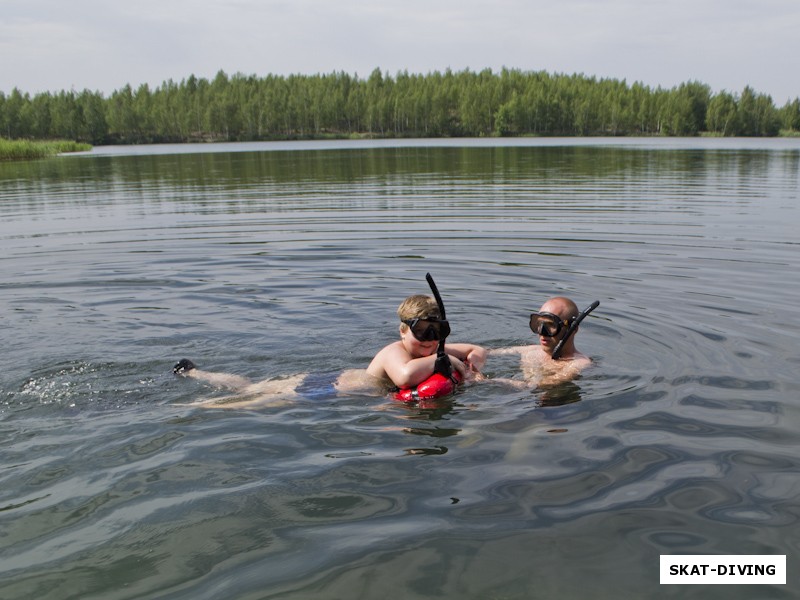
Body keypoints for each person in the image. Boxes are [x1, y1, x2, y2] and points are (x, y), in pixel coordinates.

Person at [173, 294, 486, 408]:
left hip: (331, 382)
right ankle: (198, 406)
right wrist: (451, 360)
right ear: (403, 330)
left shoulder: (430, 350)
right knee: (253, 400)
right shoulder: (396, 352)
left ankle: (195, 372)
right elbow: (405, 377)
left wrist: (472, 362)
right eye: (422, 332)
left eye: (438, 332)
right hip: (324, 388)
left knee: (249, 386)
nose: (431, 340)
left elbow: (478, 348)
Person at [490, 296, 593, 388]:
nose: (542, 332)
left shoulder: (579, 363)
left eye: (551, 325)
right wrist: (477, 351)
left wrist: (487, 381)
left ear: (573, 329)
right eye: (539, 324)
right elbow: (488, 352)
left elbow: (535, 386)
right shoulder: (531, 351)